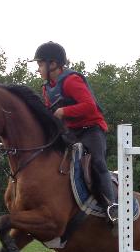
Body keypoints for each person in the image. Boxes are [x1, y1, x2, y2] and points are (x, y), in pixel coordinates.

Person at [33, 41, 118, 223]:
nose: (38, 69)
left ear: (53, 64)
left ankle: (111, 206)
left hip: (92, 129)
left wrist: (64, 112)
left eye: (40, 64)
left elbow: (90, 107)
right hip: (71, 132)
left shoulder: (72, 80)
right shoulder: (46, 88)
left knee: (97, 162)